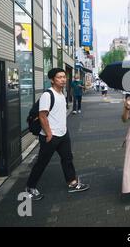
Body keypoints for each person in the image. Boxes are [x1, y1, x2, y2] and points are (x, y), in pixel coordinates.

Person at [25, 68, 89, 200]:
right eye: (59, 77)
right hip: (50, 136)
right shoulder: (48, 95)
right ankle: (30, 188)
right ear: (52, 80)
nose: (63, 79)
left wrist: (63, 130)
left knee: (67, 158)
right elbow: (42, 116)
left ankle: (72, 182)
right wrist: (48, 134)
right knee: (42, 162)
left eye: (64, 77)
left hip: (63, 134)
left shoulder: (61, 94)